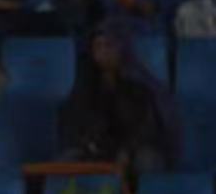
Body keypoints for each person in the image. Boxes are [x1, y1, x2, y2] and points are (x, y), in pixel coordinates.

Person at [60, 22, 179, 172]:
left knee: (147, 160)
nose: (103, 51)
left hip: (134, 149)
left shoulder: (139, 86)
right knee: (68, 159)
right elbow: (78, 124)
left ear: (120, 49)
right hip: (98, 148)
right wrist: (91, 144)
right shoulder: (85, 85)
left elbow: (147, 129)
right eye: (98, 46)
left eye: (108, 45)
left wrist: (127, 150)